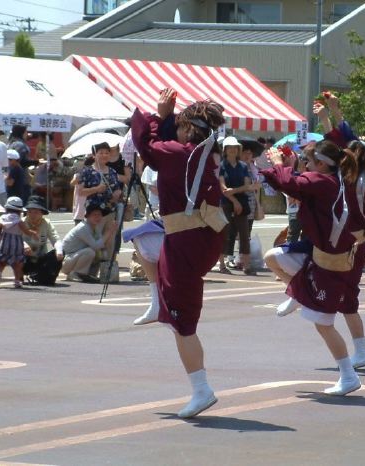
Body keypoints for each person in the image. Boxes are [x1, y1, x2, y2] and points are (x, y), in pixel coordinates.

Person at [131, 88, 227, 418]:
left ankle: (201, 390)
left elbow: (148, 146)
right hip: (202, 234)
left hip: (187, 239)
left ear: (188, 130)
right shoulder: (207, 152)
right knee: (143, 240)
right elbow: (166, 146)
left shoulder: (181, 154)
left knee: (183, 324)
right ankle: (158, 299)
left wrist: (159, 117)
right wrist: (168, 119)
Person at [261, 139, 365, 395]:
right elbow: (292, 184)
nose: (304, 166)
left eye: (308, 161)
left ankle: (348, 375)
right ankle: (296, 292)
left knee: (323, 323)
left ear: (321, 163)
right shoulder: (332, 180)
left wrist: (278, 165)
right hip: (317, 252)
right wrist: (278, 168)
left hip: (329, 263)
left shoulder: (323, 182)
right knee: (273, 256)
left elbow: (291, 183)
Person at [78, 142, 122, 269]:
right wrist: (96, 189)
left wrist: (117, 194)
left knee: (110, 242)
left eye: (107, 152)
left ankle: (107, 270)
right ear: (94, 155)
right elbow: (80, 192)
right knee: (94, 241)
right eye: (101, 152)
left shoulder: (112, 171)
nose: (104, 155)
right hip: (94, 213)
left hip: (110, 211)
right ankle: (90, 270)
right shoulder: (87, 171)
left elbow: (117, 189)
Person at [218, 136, 255, 275]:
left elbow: (247, 186)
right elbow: (222, 188)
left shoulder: (243, 166)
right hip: (226, 202)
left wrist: (233, 191)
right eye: (230, 147)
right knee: (225, 233)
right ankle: (222, 265)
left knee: (244, 234)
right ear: (225, 150)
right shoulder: (221, 165)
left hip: (241, 202)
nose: (233, 150)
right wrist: (235, 200)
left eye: (235, 147)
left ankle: (246, 265)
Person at [61, 201, 116, 283]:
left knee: (102, 254)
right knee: (90, 252)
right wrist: (109, 232)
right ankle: (75, 274)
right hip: (67, 261)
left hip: (76, 257)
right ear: (88, 216)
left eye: (100, 215)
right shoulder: (83, 228)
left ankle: (88, 274)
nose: (98, 217)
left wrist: (112, 233)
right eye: (94, 215)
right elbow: (96, 246)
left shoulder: (95, 227)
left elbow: (102, 245)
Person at [0, 196, 38, 289]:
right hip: (16, 243)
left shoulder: (3, 217)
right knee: (17, 263)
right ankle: (17, 281)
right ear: (20, 210)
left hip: (4, 242)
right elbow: (25, 230)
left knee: (2, 261)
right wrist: (32, 233)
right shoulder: (18, 220)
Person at [22, 195, 63, 286]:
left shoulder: (47, 224)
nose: (32, 215)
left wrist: (59, 251)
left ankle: (45, 277)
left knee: (59, 252)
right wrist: (24, 245)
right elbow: (16, 239)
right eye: (30, 212)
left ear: (42, 213)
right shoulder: (21, 223)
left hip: (40, 258)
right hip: (25, 259)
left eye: (36, 212)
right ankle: (20, 276)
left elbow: (56, 239)